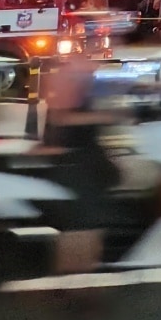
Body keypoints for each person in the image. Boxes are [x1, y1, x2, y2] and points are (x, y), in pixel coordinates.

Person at [38, 54, 128, 274]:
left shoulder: (81, 86)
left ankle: (79, 277)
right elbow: (61, 119)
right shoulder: (68, 84)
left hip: (84, 164)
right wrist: (105, 117)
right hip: (76, 166)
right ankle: (74, 278)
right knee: (81, 227)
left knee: (87, 228)